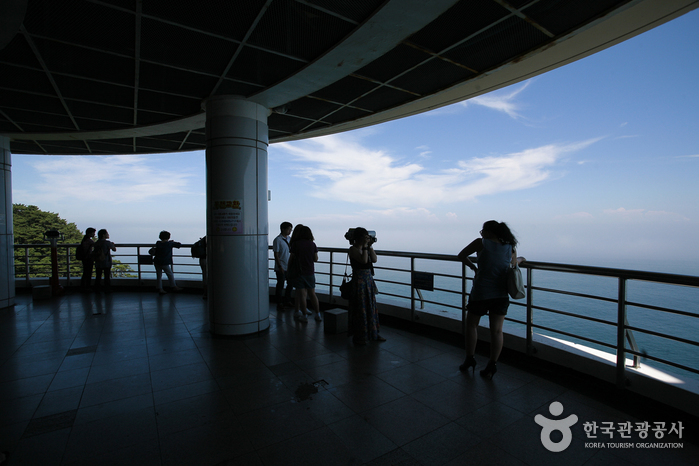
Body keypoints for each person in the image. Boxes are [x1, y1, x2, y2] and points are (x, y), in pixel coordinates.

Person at [457, 220, 525, 379]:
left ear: (489, 232)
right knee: (497, 330)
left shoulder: (480, 243)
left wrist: (473, 267)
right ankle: (492, 364)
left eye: (482, 231)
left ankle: (469, 359)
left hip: (481, 293)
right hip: (501, 295)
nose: (481, 234)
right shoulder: (510, 247)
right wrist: (521, 259)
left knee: (472, 325)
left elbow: (461, 255)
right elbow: (514, 263)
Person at [348, 227, 384, 345]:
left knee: (371, 308)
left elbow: (374, 259)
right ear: (359, 238)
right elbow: (363, 261)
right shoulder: (352, 249)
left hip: (368, 281)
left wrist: (370, 246)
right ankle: (361, 336)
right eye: (365, 237)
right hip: (359, 282)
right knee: (361, 309)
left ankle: (373, 333)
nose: (367, 239)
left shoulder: (366, 248)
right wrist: (364, 246)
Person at [289, 225, 321, 323]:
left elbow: (291, 258)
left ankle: (304, 315)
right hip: (310, 272)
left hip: (299, 272)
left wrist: (289, 269)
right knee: (312, 294)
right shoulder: (312, 244)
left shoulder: (295, 244)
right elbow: (315, 259)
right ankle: (318, 314)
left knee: (302, 295)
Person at [273, 221, 293, 310]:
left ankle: (287, 300)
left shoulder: (290, 239)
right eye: (289, 229)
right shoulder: (277, 240)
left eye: (290, 229)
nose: (290, 231)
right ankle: (279, 302)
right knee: (280, 285)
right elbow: (276, 254)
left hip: (289, 267)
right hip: (281, 267)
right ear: (283, 229)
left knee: (290, 284)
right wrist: (280, 266)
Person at [79, 227, 96, 291]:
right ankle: (87, 287)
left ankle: (83, 287)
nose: (94, 234)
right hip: (88, 259)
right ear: (89, 233)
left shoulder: (84, 240)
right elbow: (96, 245)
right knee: (88, 273)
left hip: (84, 258)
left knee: (85, 273)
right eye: (93, 233)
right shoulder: (89, 241)